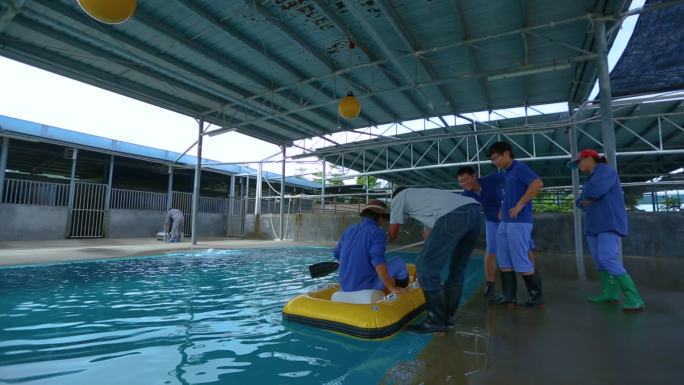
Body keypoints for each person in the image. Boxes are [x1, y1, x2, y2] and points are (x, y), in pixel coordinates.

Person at [389, 187, 481, 334]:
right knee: (458, 266)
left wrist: (376, 242)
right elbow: (430, 234)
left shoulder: (399, 197)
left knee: (425, 267)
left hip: (454, 216)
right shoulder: (425, 198)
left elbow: (392, 233)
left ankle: (435, 321)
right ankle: (448, 318)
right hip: (476, 212)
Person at [568, 149, 645, 311]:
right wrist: (585, 200)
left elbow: (595, 192)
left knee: (608, 259)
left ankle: (634, 297)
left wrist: (586, 199)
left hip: (608, 222)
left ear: (589, 158)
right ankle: (609, 293)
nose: (579, 165)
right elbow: (580, 202)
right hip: (594, 224)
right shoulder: (590, 178)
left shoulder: (605, 171)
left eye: (579, 162)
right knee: (600, 261)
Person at [457, 166, 539, 303]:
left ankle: (533, 280)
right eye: (461, 182)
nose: (464, 184)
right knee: (491, 251)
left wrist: (505, 206)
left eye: (466, 180)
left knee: (525, 248)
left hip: (511, 218)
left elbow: (513, 184)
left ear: (474, 176)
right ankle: (490, 284)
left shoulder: (492, 179)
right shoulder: (465, 195)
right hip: (492, 223)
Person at [488, 142, 544, 309]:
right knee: (503, 258)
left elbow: (537, 183)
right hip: (505, 221)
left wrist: (520, 204)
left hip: (519, 221)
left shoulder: (520, 167)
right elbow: (511, 194)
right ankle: (508, 296)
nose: (494, 162)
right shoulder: (507, 173)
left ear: (506, 154)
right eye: (492, 160)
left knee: (520, 257)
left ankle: (536, 297)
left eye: (495, 158)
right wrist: (502, 209)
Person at [333, 200, 409, 294]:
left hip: (344, 288)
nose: (384, 222)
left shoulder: (348, 231)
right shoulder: (378, 233)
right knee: (399, 262)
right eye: (385, 218)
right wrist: (391, 287)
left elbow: (337, 254)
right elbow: (378, 261)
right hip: (366, 288)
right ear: (380, 217)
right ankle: (399, 293)